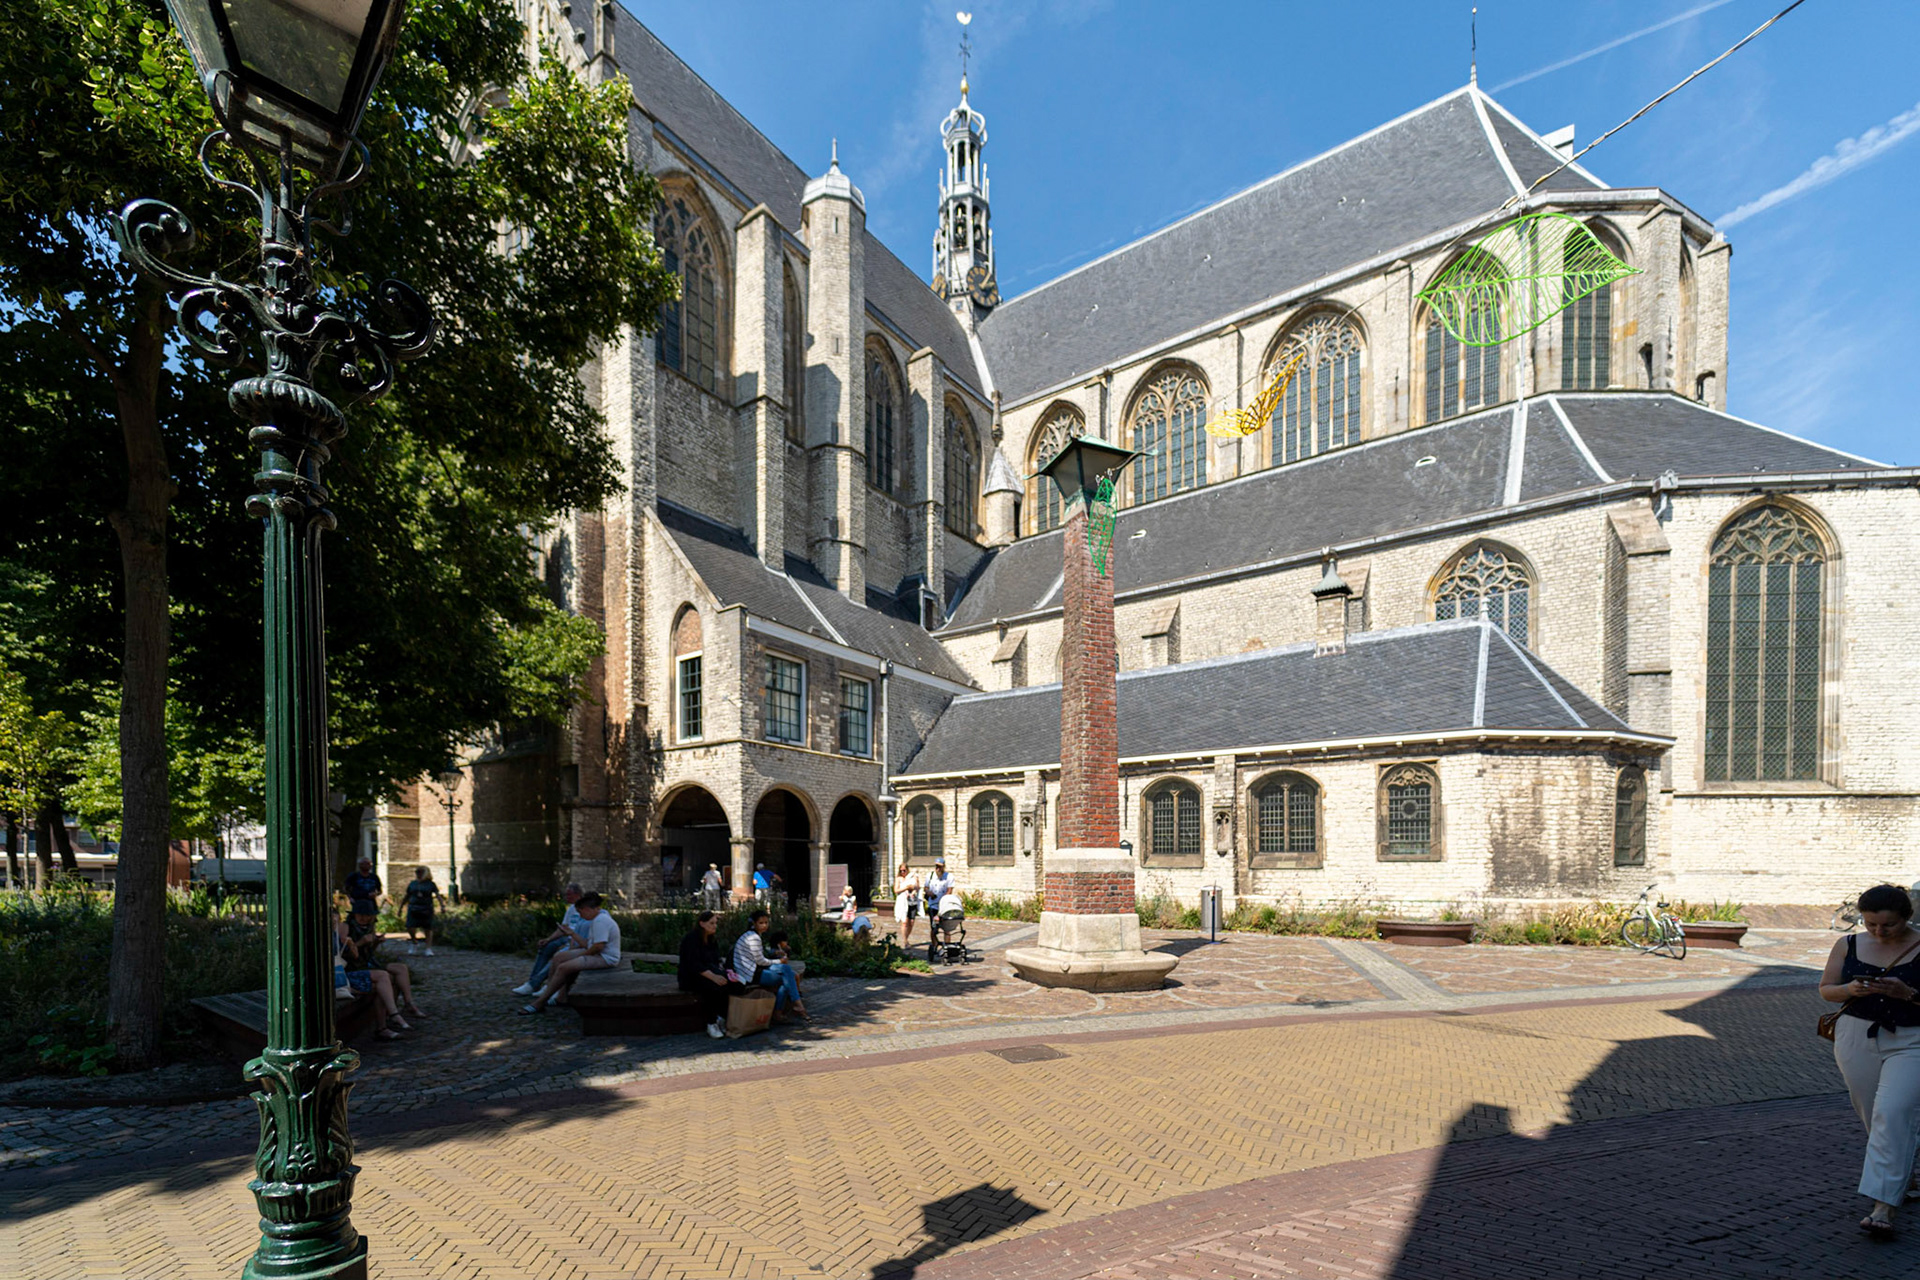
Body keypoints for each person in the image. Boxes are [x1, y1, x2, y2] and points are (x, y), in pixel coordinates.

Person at [1820, 882, 1920, 1236]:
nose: (1878, 931)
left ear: (1907, 918)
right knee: (1871, 1113)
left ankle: (1884, 1207)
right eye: (1870, 924)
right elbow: (1826, 989)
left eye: (1888, 925)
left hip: (1912, 1040)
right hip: (1855, 1037)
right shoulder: (1847, 944)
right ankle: (1904, 1173)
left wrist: (1908, 993)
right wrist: (1850, 989)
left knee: (1892, 1112)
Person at [520, 892, 621, 1014]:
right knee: (559, 957)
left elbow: (598, 947)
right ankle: (554, 991)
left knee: (564, 967)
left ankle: (540, 1002)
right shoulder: (596, 920)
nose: (580, 916)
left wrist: (582, 955)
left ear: (587, 909)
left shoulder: (601, 921)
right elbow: (587, 944)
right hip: (596, 954)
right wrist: (571, 934)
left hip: (605, 958)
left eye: (581, 912)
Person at [346, 900, 426, 1020]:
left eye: (367, 915)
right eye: (361, 915)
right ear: (354, 914)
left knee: (401, 968)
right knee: (388, 977)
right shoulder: (348, 927)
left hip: (368, 962)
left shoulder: (368, 927)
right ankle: (391, 1015)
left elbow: (369, 953)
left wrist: (376, 942)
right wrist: (360, 942)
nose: (364, 918)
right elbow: (345, 954)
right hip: (355, 966)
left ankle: (409, 1003)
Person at [510, 883, 585, 996]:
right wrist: (548, 939)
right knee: (546, 947)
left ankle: (541, 984)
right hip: (567, 937)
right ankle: (532, 983)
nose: (566, 897)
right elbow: (563, 928)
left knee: (559, 956)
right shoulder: (571, 909)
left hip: (577, 940)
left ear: (578, 895)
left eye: (569, 895)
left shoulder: (586, 909)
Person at [731, 909, 806, 1021]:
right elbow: (760, 961)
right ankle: (793, 1006)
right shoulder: (753, 938)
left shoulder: (752, 935)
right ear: (754, 923)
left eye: (766, 922)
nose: (764, 925)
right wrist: (779, 962)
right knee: (787, 977)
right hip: (750, 974)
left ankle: (787, 1009)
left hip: (753, 969)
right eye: (761, 923)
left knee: (786, 972)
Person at [678, 910, 736, 1038]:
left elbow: (715, 960)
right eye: (711, 923)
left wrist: (723, 973)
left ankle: (722, 1017)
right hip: (692, 976)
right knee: (711, 987)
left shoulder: (711, 940)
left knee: (728, 983)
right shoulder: (691, 939)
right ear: (702, 924)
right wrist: (714, 977)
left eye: (716, 923)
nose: (714, 926)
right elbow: (694, 964)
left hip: (709, 972)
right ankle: (711, 1023)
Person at [402, 866, 444, 955]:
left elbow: (438, 895)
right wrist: (401, 907)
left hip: (426, 907)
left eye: (420, 872)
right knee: (410, 926)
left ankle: (428, 948)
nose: (418, 874)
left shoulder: (430, 884)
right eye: (417, 872)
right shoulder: (413, 883)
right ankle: (414, 942)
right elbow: (407, 895)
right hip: (413, 907)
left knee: (428, 928)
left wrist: (442, 905)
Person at [893, 862, 922, 946]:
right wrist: (906, 887)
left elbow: (917, 887)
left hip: (912, 901)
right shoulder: (898, 879)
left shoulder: (911, 877)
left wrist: (915, 885)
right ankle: (905, 941)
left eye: (904, 870)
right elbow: (896, 890)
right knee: (905, 921)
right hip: (903, 902)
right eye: (901, 871)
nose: (903, 872)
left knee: (911, 922)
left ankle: (907, 937)